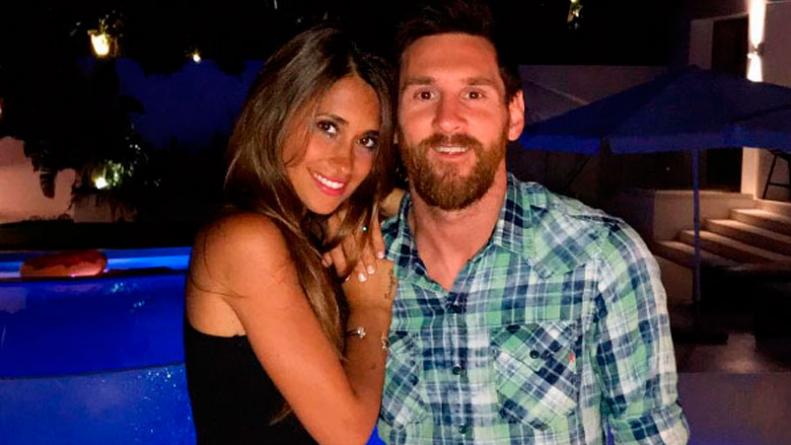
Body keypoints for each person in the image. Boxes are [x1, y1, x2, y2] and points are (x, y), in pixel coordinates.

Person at [376, 1, 690, 443]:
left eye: (474, 94)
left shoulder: (602, 258)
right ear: (394, 124)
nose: (447, 120)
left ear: (514, 115)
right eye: (424, 95)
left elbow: (650, 435)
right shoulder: (363, 271)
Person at [184, 25, 397, 445]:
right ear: (278, 115)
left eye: (366, 141)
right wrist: (371, 309)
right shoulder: (244, 241)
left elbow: (412, 210)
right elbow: (346, 432)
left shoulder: (304, 229)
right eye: (328, 127)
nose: (345, 163)